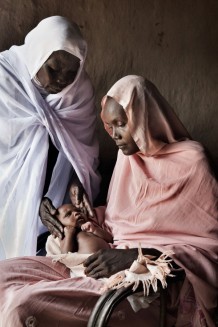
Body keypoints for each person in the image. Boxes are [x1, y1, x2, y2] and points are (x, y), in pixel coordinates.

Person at [0, 75, 217, 327]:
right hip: (100, 260)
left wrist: (137, 256)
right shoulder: (128, 159)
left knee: (24, 307)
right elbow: (123, 221)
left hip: (147, 281)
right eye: (110, 126)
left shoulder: (192, 162)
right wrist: (87, 215)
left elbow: (209, 251)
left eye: (122, 124)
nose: (114, 134)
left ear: (145, 117)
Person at [0, 16, 100, 260]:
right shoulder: (4, 78)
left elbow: (82, 152)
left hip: (57, 204)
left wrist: (75, 182)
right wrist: (30, 203)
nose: (61, 80)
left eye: (71, 72)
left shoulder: (80, 92)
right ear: (37, 54)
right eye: (53, 69)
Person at [46, 203, 112, 255]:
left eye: (78, 210)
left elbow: (110, 239)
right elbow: (66, 254)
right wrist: (69, 235)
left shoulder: (90, 226)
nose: (76, 213)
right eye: (68, 214)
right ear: (59, 224)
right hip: (89, 264)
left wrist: (95, 230)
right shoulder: (66, 235)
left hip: (109, 257)